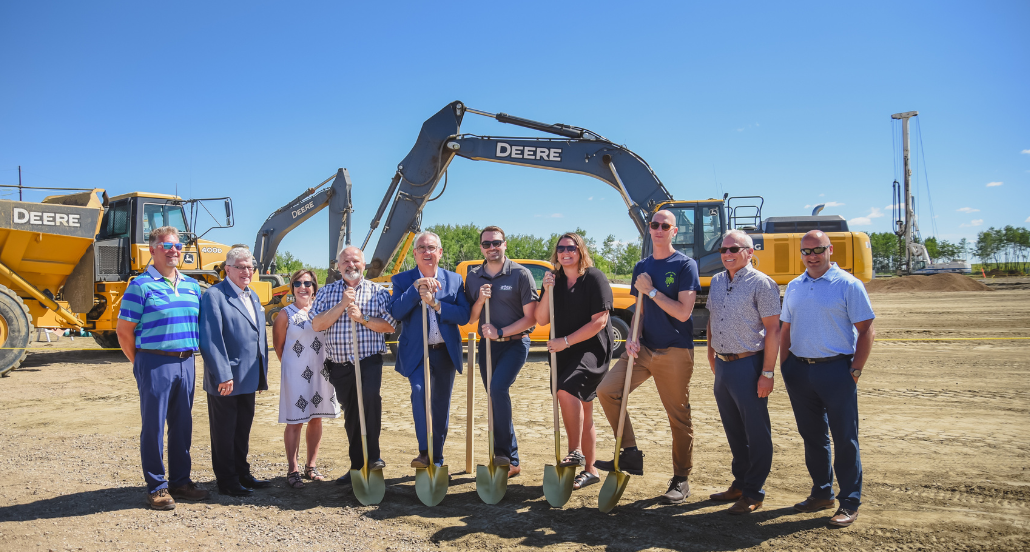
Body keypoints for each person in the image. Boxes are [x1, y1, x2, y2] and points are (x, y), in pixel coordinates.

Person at [595, 209, 701, 504]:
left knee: (678, 417)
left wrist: (652, 291)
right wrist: (632, 336)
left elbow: (683, 312)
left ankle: (681, 478)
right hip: (642, 351)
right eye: (654, 225)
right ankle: (629, 453)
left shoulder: (685, 265)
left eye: (664, 226)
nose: (658, 229)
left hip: (675, 352)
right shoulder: (642, 266)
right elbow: (639, 309)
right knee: (606, 391)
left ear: (674, 232)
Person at [780, 230, 875, 528]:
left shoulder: (848, 284)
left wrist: (855, 371)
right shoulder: (795, 286)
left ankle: (849, 501)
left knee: (845, 438)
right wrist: (786, 367)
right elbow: (784, 329)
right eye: (806, 251)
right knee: (813, 437)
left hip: (836, 370)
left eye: (818, 249)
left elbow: (866, 330)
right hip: (800, 370)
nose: (812, 256)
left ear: (830, 249)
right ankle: (822, 493)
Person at [116, 226, 210, 510]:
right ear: (152, 249)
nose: (174, 251)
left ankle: (181, 481)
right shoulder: (140, 285)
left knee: (183, 425)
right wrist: (142, 363)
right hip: (154, 361)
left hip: (186, 361)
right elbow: (123, 332)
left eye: (178, 247)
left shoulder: (193, 286)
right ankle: (157, 486)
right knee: (154, 426)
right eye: (167, 246)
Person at [705, 230, 781, 514]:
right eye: (723, 250)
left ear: (749, 252)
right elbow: (713, 317)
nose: (727, 254)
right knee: (734, 430)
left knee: (756, 432)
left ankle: (753, 493)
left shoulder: (762, 284)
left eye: (734, 249)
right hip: (724, 365)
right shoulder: (716, 281)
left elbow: (774, 330)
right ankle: (739, 483)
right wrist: (710, 352)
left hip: (749, 365)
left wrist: (768, 373)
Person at [311, 246, 396, 486]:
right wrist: (341, 305)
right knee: (351, 415)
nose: (351, 265)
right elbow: (317, 324)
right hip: (339, 364)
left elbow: (389, 326)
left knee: (369, 401)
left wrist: (362, 318)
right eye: (346, 262)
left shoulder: (377, 292)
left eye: (355, 261)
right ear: (338, 266)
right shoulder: (327, 293)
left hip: (368, 360)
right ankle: (357, 466)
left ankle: (374, 458)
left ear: (364, 264)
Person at [535, 233, 613, 491]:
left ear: (580, 251)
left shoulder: (594, 277)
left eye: (571, 248)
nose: (565, 252)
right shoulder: (553, 280)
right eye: (561, 248)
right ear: (556, 253)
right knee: (584, 410)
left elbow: (600, 321)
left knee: (566, 389)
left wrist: (566, 341)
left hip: (591, 348)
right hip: (562, 350)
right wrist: (546, 291)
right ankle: (590, 470)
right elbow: (542, 319)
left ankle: (575, 450)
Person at [389, 232, 471, 468]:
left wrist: (436, 304)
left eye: (432, 247)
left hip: (444, 352)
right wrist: (416, 290)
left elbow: (464, 316)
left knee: (440, 405)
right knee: (419, 392)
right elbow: (396, 313)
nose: (427, 252)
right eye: (422, 248)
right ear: (414, 254)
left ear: (440, 252)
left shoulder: (454, 280)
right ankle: (424, 451)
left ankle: (437, 456)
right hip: (416, 352)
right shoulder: (402, 280)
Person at [465, 225, 538, 478]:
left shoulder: (521, 274)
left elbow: (531, 319)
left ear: (505, 244)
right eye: (486, 244)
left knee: (498, 389)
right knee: (494, 397)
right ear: (481, 248)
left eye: (496, 243)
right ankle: (512, 460)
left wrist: (502, 332)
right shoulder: (473, 276)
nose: (492, 248)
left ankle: (503, 455)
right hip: (487, 348)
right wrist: (480, 301)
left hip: (515, 344)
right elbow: (470, 318)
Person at [199, 247, 271, 497]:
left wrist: (261, 375)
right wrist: (223, 374)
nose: (246, 271)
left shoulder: (252, 296)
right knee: (224, 431)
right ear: (227, 269)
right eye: (241, 267)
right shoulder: (215, 296)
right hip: (226, 379)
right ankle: (227, 480)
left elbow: (258, 338)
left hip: (249, 377)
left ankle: (242, 473)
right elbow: (210, 339)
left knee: (242, 429)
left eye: (250, 267)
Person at [272, 269, 341, 489]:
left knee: (316, 418)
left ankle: (311, 466)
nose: (304, 287)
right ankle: (292, 470)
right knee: (295, 421)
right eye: (299, 283)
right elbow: (279, 347)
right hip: (295, 374)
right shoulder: (285, 314)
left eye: (308, 283)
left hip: (322, 372)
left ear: (314, 288)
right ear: (292, 287)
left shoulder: (322, 312)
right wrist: (295, 368)